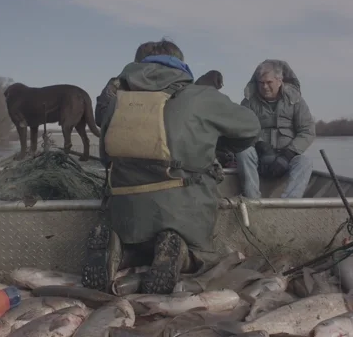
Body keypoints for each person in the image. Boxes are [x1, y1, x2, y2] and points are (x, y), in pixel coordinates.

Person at [83, 38, 261, 295]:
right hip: (184, 209)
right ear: (180, 64)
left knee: (136, 241)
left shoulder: (115, 101)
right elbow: (251, 128)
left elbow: (105, 153)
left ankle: (120, 252)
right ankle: (184, 255)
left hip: (124, 210)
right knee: (203, 257)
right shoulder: (200, 96)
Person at [236, 59, 315, 199]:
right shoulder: (248, 102)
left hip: (286, 158)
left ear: (279, 81)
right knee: (244, 152)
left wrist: (288, 155)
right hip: (259, 157)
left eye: (269, 82)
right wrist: (261, 146)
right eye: (261, 83)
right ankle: (253, 200)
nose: (264, 87)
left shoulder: (296, 101)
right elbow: (241, 129)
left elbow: (307, 131)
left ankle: (289, 202)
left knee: (306, 160)